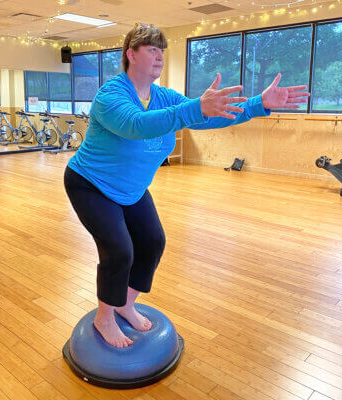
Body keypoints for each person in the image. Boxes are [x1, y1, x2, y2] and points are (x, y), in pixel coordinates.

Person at [64, 23, 310, 348]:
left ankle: (124, 303)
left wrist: (259, 103)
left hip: (132, 189)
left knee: (152, 242)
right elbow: (137, 125)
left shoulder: (164, 96)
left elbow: (208, 115)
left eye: (161, 50)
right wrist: (195, 107)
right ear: (130, 54)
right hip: (91, 184)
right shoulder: (111, 95)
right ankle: (104, 317)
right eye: (152, 49)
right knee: (120, 250)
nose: (159, 56)